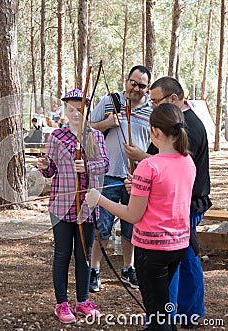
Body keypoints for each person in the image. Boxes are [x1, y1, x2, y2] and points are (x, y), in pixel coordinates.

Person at [87, 103, 196, 331]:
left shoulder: (149, 165)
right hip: (178, 246)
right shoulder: (187, 161)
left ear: (155, 131)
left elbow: (133, 215)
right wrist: (136, 186)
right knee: (163, 307)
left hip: (152, 250)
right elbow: (162, 195)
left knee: (157, 316)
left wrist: (99, 198)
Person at [124, 76, 211, 329]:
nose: (152, 106)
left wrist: (142, 159)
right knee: (181, 256)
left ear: (173, 99)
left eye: (155, 101)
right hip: (180, 205)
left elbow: (172, 174)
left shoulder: (187, 128)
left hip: (187, 205)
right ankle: (172, 316)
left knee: (182, 258)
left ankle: (176, 315)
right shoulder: (179, 125)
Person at [37, 88, 109, 324]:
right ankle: (61, 303)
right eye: (71, 109)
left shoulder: (95, 136)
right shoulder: (57, 136)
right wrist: (45, 165)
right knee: (62, 253)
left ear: (87, 110)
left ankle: (82, 301)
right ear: (65, 111)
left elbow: (105, 164)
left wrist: (87, 167)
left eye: (80, 109)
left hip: (86, 205)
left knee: (84, 254)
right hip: (61, 204)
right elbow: (51, 172)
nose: (76, 113)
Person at [89, 65, 152, 292]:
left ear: (148, 88)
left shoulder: (152, 110)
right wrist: (106, 123)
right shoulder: (110, 101)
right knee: (103, 226)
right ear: (126, 80)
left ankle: (128, 268)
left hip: (137, 178)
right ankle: (94, 270)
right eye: (133, 82)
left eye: (141, 85)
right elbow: (89, 127)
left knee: (132, 227)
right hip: (108, 175)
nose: (136, 88)